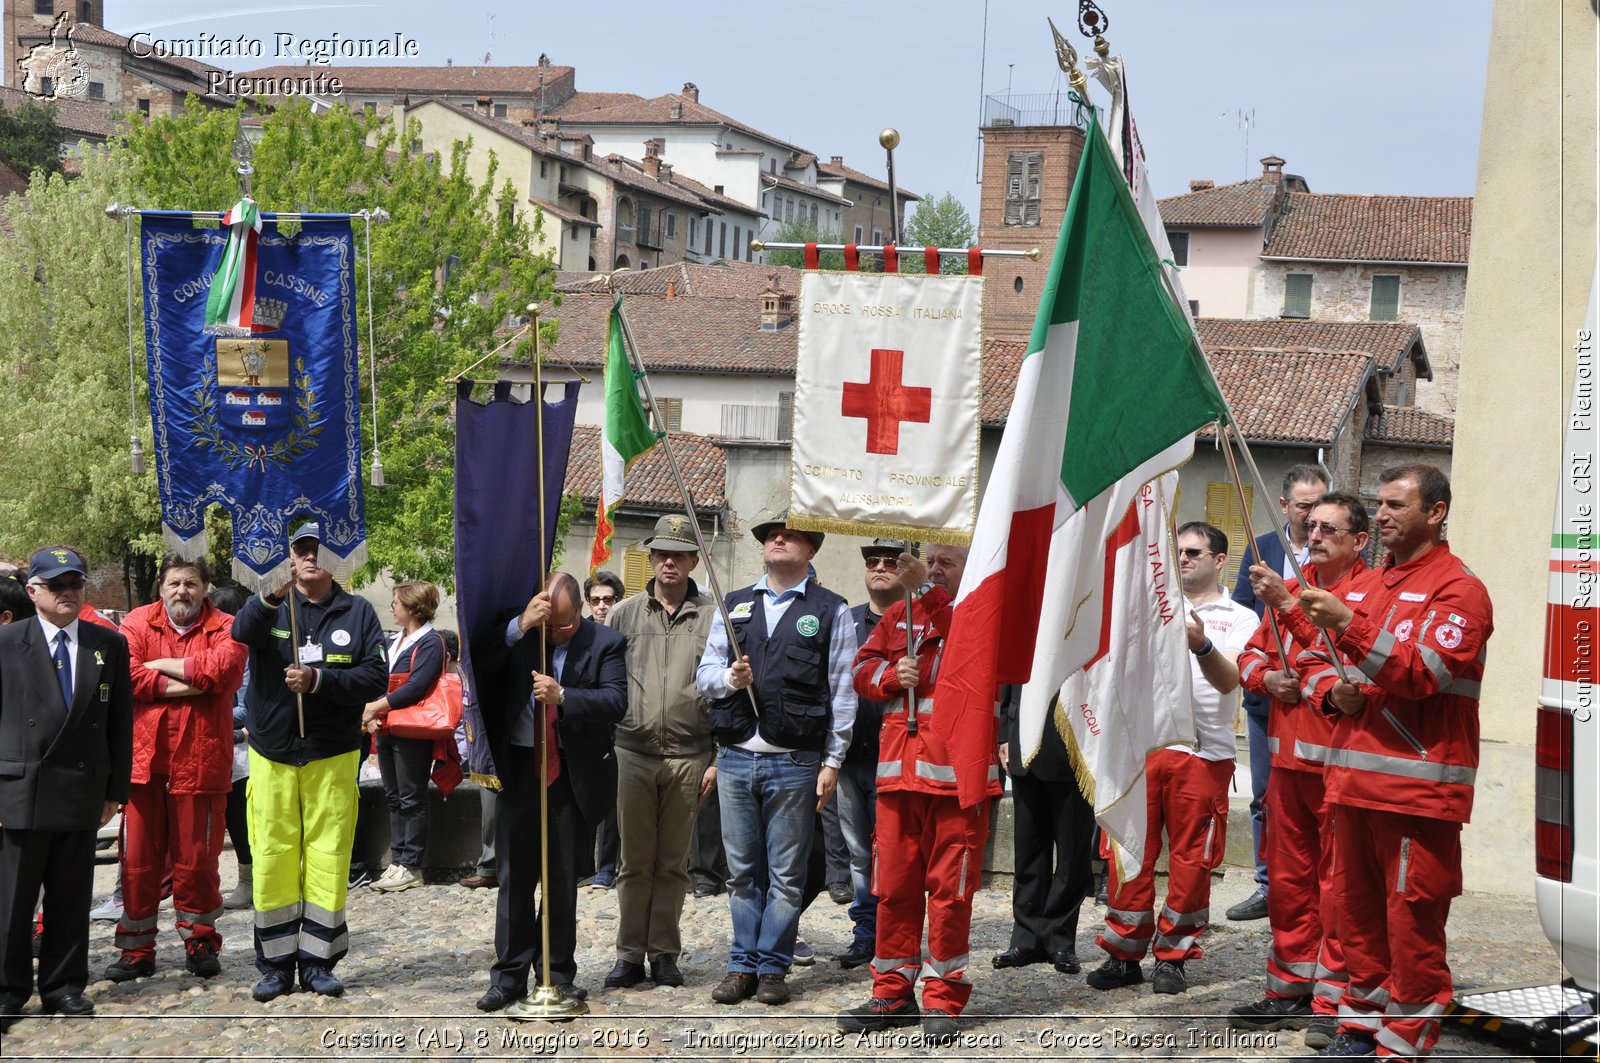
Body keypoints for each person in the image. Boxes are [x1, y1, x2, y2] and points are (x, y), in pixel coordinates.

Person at [1293, 465, 1492, 1059]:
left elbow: (1423, 672)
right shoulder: (1366, 583)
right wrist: (1332, 689)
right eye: (1378, 504)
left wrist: (1348, 627)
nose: (1380, 515)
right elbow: (1312, 657)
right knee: (1354, 921)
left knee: (1411, 929)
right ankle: (1360, 1027)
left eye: (1395, 505)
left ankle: (1404, 1042)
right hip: (1350, 783)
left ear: (1435, 512)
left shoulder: (1459, 589)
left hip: (1416, 794)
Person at [1086, 522, 1259, 996]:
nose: (1183, 559)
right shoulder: (1148, 605)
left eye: (1194, 552)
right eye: (1177, 552)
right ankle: (1123, 953)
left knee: (1192, 860)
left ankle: (1175, 956)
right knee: (1128, 852)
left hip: (1203, 752)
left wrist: (1200, 644)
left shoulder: (1242, 617)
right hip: (1142, 748)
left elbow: (1229, 682)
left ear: (1220, 559)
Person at [837, 544, 1000, 1043]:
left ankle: (943, 997)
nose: (931, 570)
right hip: (898, 778)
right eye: (928, 562)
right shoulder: (897, 616)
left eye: (944, 563)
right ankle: (892, 991)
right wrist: (889, 676)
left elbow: (975, 645)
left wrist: (924, 592)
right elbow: (860, 668)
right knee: (894, 889)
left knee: (951, 894)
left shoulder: (978, 613)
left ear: (969, 571)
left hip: (957, 782)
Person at [1227, 492, 1371, 1049]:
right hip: (1287, 764)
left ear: (1358, 541)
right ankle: (1288, 990)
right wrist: (1267, 681)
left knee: (1339, 889)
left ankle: (1332, 1002)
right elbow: (1251, 655)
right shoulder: (1295, 584)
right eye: (1310, 526)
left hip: (1339, 765)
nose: (1314, 536)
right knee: (1288, 883)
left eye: (1329, 528)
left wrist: (1296, 669)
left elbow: (1338, 660)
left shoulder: (1364, 593)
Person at [697, 515, 856, 1007]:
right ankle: (741, 965)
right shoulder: (735, 605)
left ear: (811, 550)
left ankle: (772, 967)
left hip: (797, 761)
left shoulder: (831, 609)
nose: (776, 540)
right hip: (737, 757)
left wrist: (832, 762)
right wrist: (729, 680)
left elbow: (843, 690)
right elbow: (704, 674)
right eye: (769, 537)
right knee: (742, 873)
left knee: (787, 875)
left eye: (787, 535)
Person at [230, 522, 388, 1002]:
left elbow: (375, 678)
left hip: (332, 753)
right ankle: (275, 964)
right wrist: (271, 594)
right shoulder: (273, 606)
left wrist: (319, 682)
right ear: (289, 557)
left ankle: (319, 960)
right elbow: (241, 632)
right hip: (273, 753)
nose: (310, 557)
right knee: (274, 856)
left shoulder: (358, 612)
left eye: (319, 549)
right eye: (300, 549)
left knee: (328, 856)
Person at [471, 573, 626, 1013]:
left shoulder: (606, 642)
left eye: (563, 625)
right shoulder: (521, 631)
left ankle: (556, 975)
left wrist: (565, 696)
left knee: (560, 881)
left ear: (579, 609)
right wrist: (521, 626)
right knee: (515, 878)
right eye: (548, 625)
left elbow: (617, 701)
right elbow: (480, 662)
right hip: (520, 766)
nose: (555, 633)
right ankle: (508, 977)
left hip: (570, 771)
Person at [0, 547, 132, 1029]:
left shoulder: (108, 643)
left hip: (81, 788)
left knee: (71, 896)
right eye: (56, 585)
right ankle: (8, 990)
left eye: (75, 583)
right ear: (33, 590)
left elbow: (120, 721)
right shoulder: (7, 640)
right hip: (19, 788)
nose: (68, 592)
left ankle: (63, 985)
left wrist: (116, 790)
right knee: (12, 902)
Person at [107, 556, 246, 983]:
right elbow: (128, 676)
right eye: (173, 583)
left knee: (198, 861)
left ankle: (200, 938)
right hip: (144, 763)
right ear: (161, 588)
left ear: (205, 587)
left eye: (190, 583)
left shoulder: (226, 625)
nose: (181, 591)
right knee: (138, 862)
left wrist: (161, 667)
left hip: (200, 762)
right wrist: (195, 683)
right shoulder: (135, 622)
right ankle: (136, 949)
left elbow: (224, 671)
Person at [603, 516, 716, 990]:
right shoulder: (623, 615)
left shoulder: (715, 616)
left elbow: (726, 693)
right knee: (633, 861)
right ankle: (629, 955)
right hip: (633, 750)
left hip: (691, 755)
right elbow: (604, 682)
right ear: (649, 559)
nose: (669, 562)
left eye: (679, 554)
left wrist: (717, 757)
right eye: (661, 554)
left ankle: (665, 953)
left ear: (693, 561)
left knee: (674, 862)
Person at [1229, 464, 1330, 922]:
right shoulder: (1262, 546)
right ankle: (1268, 884)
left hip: (1315, 705)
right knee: (1264, 794)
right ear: (1285, 505)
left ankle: (1311, 887)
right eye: (1305, 505)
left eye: (1320, 503)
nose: (1313, 515)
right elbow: (1246, 619)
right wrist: (1264, 675)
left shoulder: (1332, 551)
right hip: (1265, 697)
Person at [834, 537, 909, 970]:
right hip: (852, 759)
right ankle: (866, 933)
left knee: (894, 854)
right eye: (873, 561)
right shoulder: (846, 622)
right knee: (860, 856)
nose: (880, 567)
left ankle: (893, 935)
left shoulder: (917, 623)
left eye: (890, 561)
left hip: (897, 760)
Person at [993, 684, 1095, 976]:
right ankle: (1026, 938)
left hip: (1073, 746)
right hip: (1023, 740)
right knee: (1028, 851)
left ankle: (1059, 940)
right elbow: (1011, 683)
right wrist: (1005, 734)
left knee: (1071, 855)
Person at [361, 581, 446, 893]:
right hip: (388, 726)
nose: (392, 607)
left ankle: (412, 863)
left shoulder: (431, 642)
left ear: (412, 607)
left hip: (411, 729)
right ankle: (397, 860)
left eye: (397, 602)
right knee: (394, 796)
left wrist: (376, 707)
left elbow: (417, 686)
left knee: (412, 796)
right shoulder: (395, 640)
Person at [206, 585, 254, 912]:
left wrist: (207, 710)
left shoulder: (246, 653)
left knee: (241, 820)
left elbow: (246, 709)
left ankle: (250, 882)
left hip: (242, 754)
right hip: (219, 747)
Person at [580, 570, 624, 890]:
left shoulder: (626, 632)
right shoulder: (579, 634)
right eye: (595, 600)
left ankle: (607, 867)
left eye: (607, 600)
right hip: (585, 724)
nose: (601, 606)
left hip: (618, 724)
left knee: (612, 803)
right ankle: (582, 866)